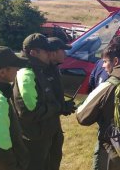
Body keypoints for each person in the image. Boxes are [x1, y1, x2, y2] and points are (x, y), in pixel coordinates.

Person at [11, 33, 66, 170]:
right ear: (33, 52)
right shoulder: (26, 74)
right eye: (46, 51)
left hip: (46, 132)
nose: (49, 54)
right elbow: (29, 112)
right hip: (35, 138)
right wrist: (57, 107)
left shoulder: (40, 69)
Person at [88, 35, 120, 170]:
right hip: (114, 119)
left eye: (105, 61)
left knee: (104, 147)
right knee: (110, 149)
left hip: (103, 114)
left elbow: (91, 83)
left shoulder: (99, 65)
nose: (104, 64)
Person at [46, 37, 77, 170]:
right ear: (52, 53)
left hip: (54, 124)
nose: (65, 54)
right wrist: (61, 107)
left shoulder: (54, 68)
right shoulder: (41, 72)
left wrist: (63, 106)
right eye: (62, 50)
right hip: (42, 129)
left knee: (54, 159)